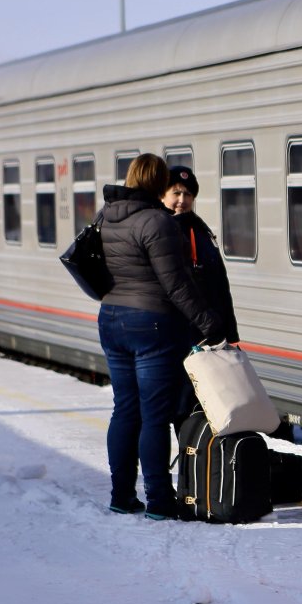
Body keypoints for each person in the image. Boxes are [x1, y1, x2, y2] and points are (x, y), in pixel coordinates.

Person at [98, 153, 224, 520]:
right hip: (151, 323)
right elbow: (177, 285)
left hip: (111, 319)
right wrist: (210, 323)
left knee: (125, 409)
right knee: (154, 415)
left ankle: (121, 495)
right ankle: (158, 499)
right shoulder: (158, 222)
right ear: (157, 183)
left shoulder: (106, 216)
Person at [161, 165, 240, 428]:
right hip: (178, 332)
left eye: (187, 194)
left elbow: (220, 284)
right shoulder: (160, 229)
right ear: (162, 195)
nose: (182, 200)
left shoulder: (200, 229)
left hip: (207, 331)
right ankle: (187, 446)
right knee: (182, 402)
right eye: (176, 193)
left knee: (207, 400)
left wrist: (230, 332)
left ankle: (196, 449)